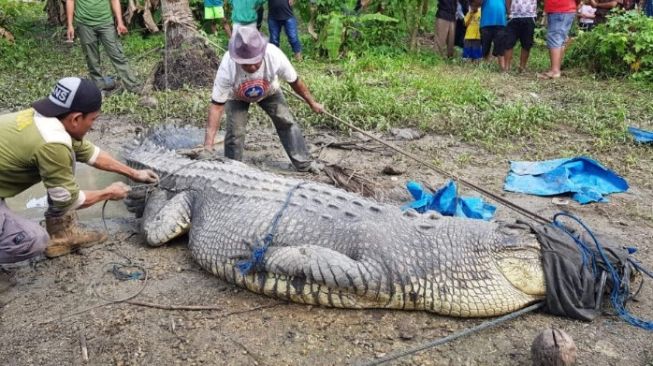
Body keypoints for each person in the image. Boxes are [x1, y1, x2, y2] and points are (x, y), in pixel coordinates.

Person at [0, 77, 159, 289]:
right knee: (33, 240)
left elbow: (89, 152)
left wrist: (133, 172)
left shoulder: (47, 118)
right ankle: (56, 235)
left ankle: (62, 234)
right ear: (76, 118)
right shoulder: (53, 144)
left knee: (70, 157)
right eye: (93, 119)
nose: (93, 126)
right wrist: (108, 193)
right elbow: (68, 199)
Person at [203, 27, 324, 173]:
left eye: (256, 62)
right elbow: (216, 107)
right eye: (246, 64)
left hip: (269, 92)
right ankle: (232, 170)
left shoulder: (274, 55)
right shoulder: (227, 66)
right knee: (235, 132)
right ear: (237, 59)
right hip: (236, 96)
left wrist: (312, 103)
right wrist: (208, 147)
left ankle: (304, 163)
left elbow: (295, 81)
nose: (253, 67)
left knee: (286, 121)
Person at [66, 0, 141, 94]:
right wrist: (70, 25)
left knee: (117, 54)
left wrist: (120, 22)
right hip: (84, 24)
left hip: (106, 22)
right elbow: (70, 1)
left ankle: (133, 85)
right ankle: (99, 85)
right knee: (91, 58)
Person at [540, 0, 577, 79]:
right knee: (560, 40)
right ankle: (556, 69)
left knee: (555, 38)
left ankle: (555, 71)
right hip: (566, 8)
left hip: (560, 8)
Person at [503, 0, 537, 72]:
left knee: (527, 43)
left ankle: (522, 67)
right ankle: (506, 68)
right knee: (508, 42)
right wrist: (509, 12)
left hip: (530, 16)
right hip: (514, 17)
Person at [480, 0, 508, 69]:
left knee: (501, 47)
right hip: (486, 22)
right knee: (485, 47)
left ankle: (502, 68)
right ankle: (485, 66)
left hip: (500, 22)